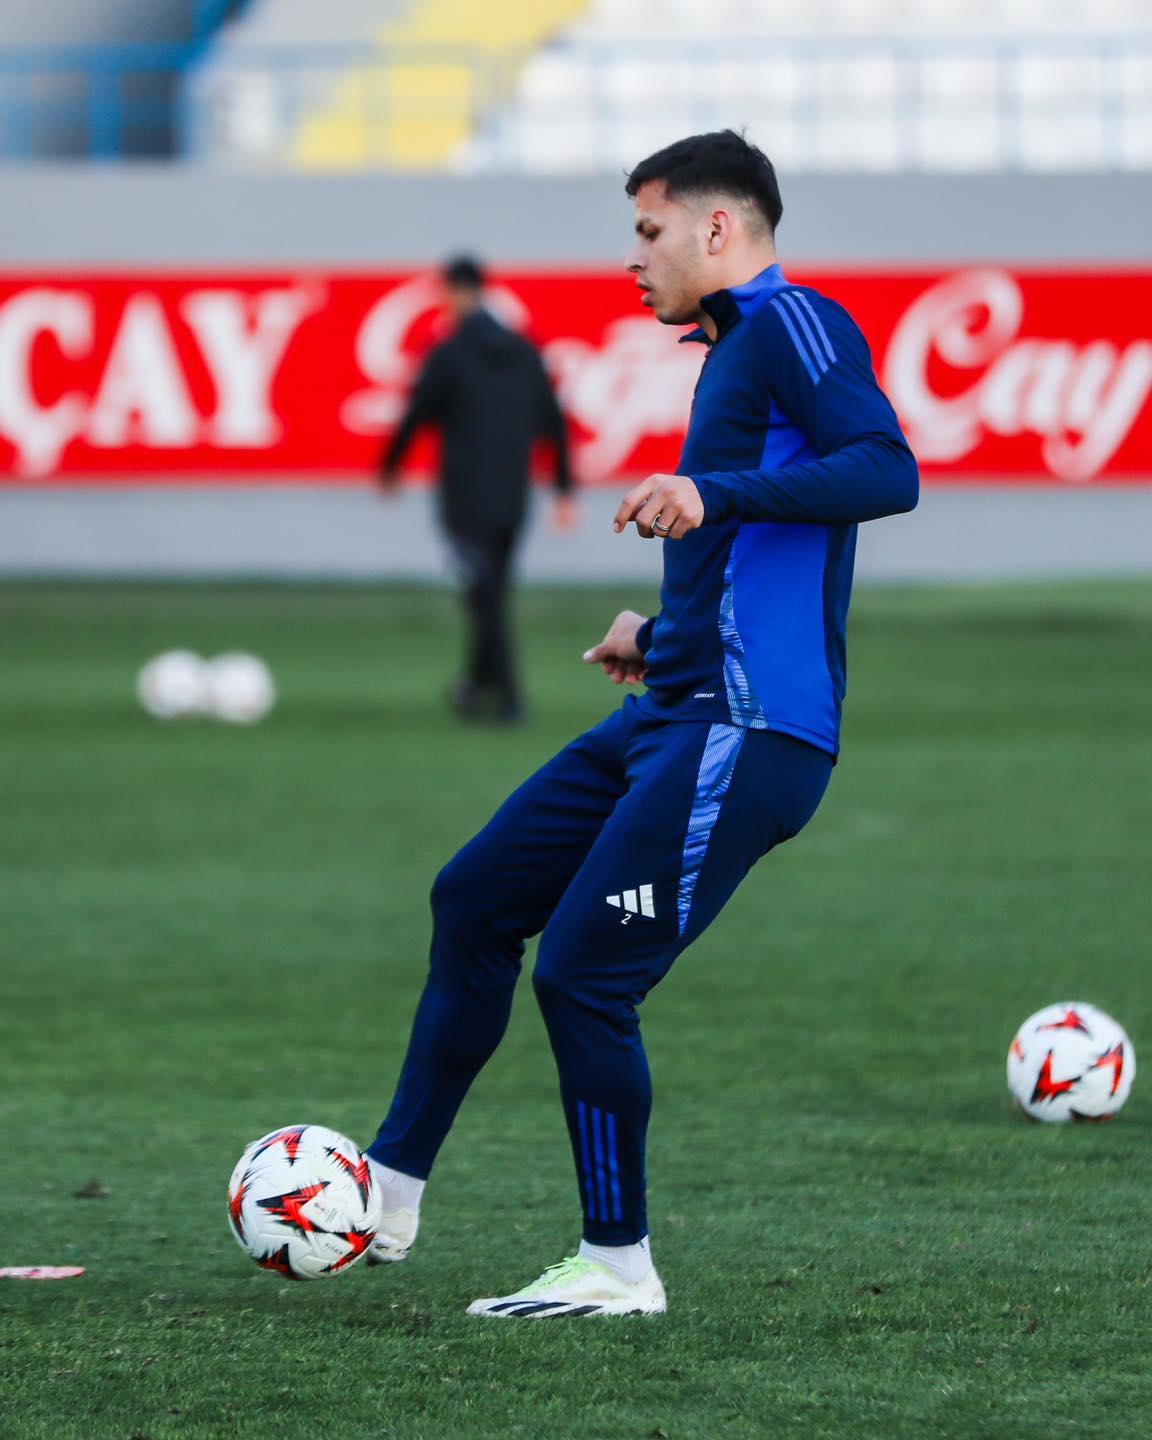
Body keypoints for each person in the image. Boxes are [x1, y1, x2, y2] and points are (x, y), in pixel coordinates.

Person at [364, 131, 919, 1317]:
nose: (635, 255)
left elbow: (887, 468)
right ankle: (386, 1191)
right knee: (474, 899)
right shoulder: (731, 351)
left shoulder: (795, 321)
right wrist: (662, 635)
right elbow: (755, 567)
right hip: (679, 705)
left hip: (750, 731)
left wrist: (713, 492)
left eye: (649, 229)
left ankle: (619, 1268)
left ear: (719, 227)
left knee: (583, 975)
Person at [380, 255, 576, 723]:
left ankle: (509, 698)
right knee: (490, 591)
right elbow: (555, 422)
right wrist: (564, 487)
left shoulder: (448, 354)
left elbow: (416, 413)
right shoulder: (525, 351)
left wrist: (391, 467)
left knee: (484, 597)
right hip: (513, 494)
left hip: (465, 495)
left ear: (453, 292)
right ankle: (473, 686)